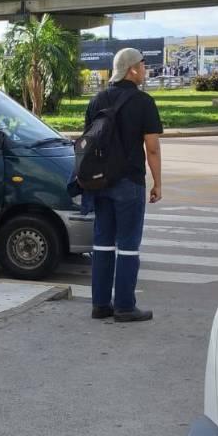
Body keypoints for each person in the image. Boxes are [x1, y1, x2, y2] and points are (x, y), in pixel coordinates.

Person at [84, 48, 163, 323]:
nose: (145, 69)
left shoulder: (97, 100)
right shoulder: (143, 102)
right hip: (129, 181)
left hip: (100, 182)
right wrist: (158, 183)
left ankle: (100, 304)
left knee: (102, 243)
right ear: (132, 69)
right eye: (143, 64)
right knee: (128, 244)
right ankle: (125, 306)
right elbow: (151, 148)